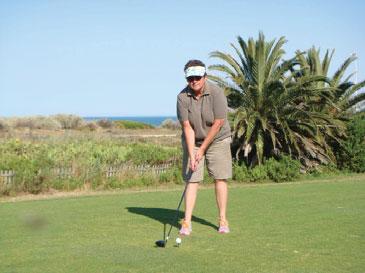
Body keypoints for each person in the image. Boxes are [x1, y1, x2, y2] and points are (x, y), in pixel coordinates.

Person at [176, 59, 232, 235]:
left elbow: (218, 123)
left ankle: (223, 220)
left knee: (220, 178)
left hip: (218, 139)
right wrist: (193, 154)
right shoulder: (182, 97)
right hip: (193, 140)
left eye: (197, 77)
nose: (194, 81)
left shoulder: (216, 93)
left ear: (205, 76)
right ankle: (187, 222)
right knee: (191, 180)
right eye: (190, 78)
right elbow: (187, 126)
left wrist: (202, 150)